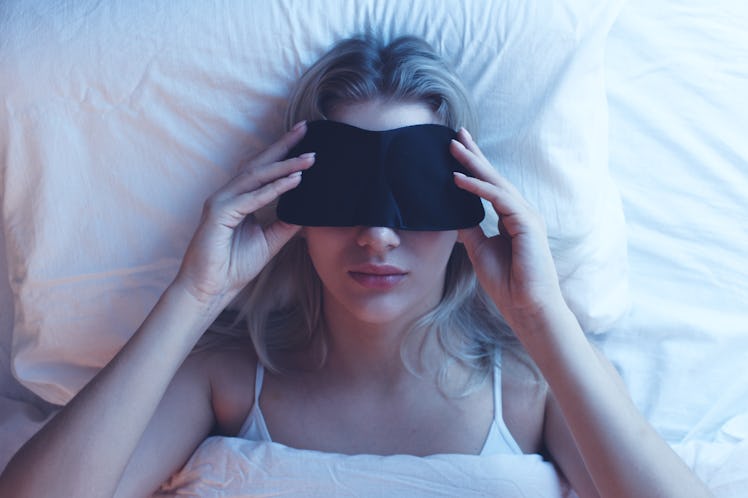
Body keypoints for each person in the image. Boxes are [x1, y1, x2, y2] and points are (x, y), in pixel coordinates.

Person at [0, 35, 711, 498]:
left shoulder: (539, 391)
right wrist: (197, 290)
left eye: (418, 193)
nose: (377, 235)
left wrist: (541, 316)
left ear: (473, 197)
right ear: (291, 194)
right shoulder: (223, 381)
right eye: (344, 191)